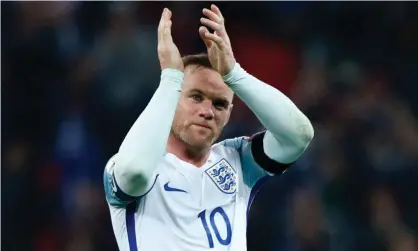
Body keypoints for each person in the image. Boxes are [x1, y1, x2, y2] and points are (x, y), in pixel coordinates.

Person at [103, 5, 314, 251]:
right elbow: (134, 172)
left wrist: (235, 74)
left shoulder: (237, 161)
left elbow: (298, 136)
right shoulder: (131, 162)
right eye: (195, 97)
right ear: (171, 99)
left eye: (220, 104)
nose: (207, 111)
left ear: (229, 115)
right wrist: (171, 76)